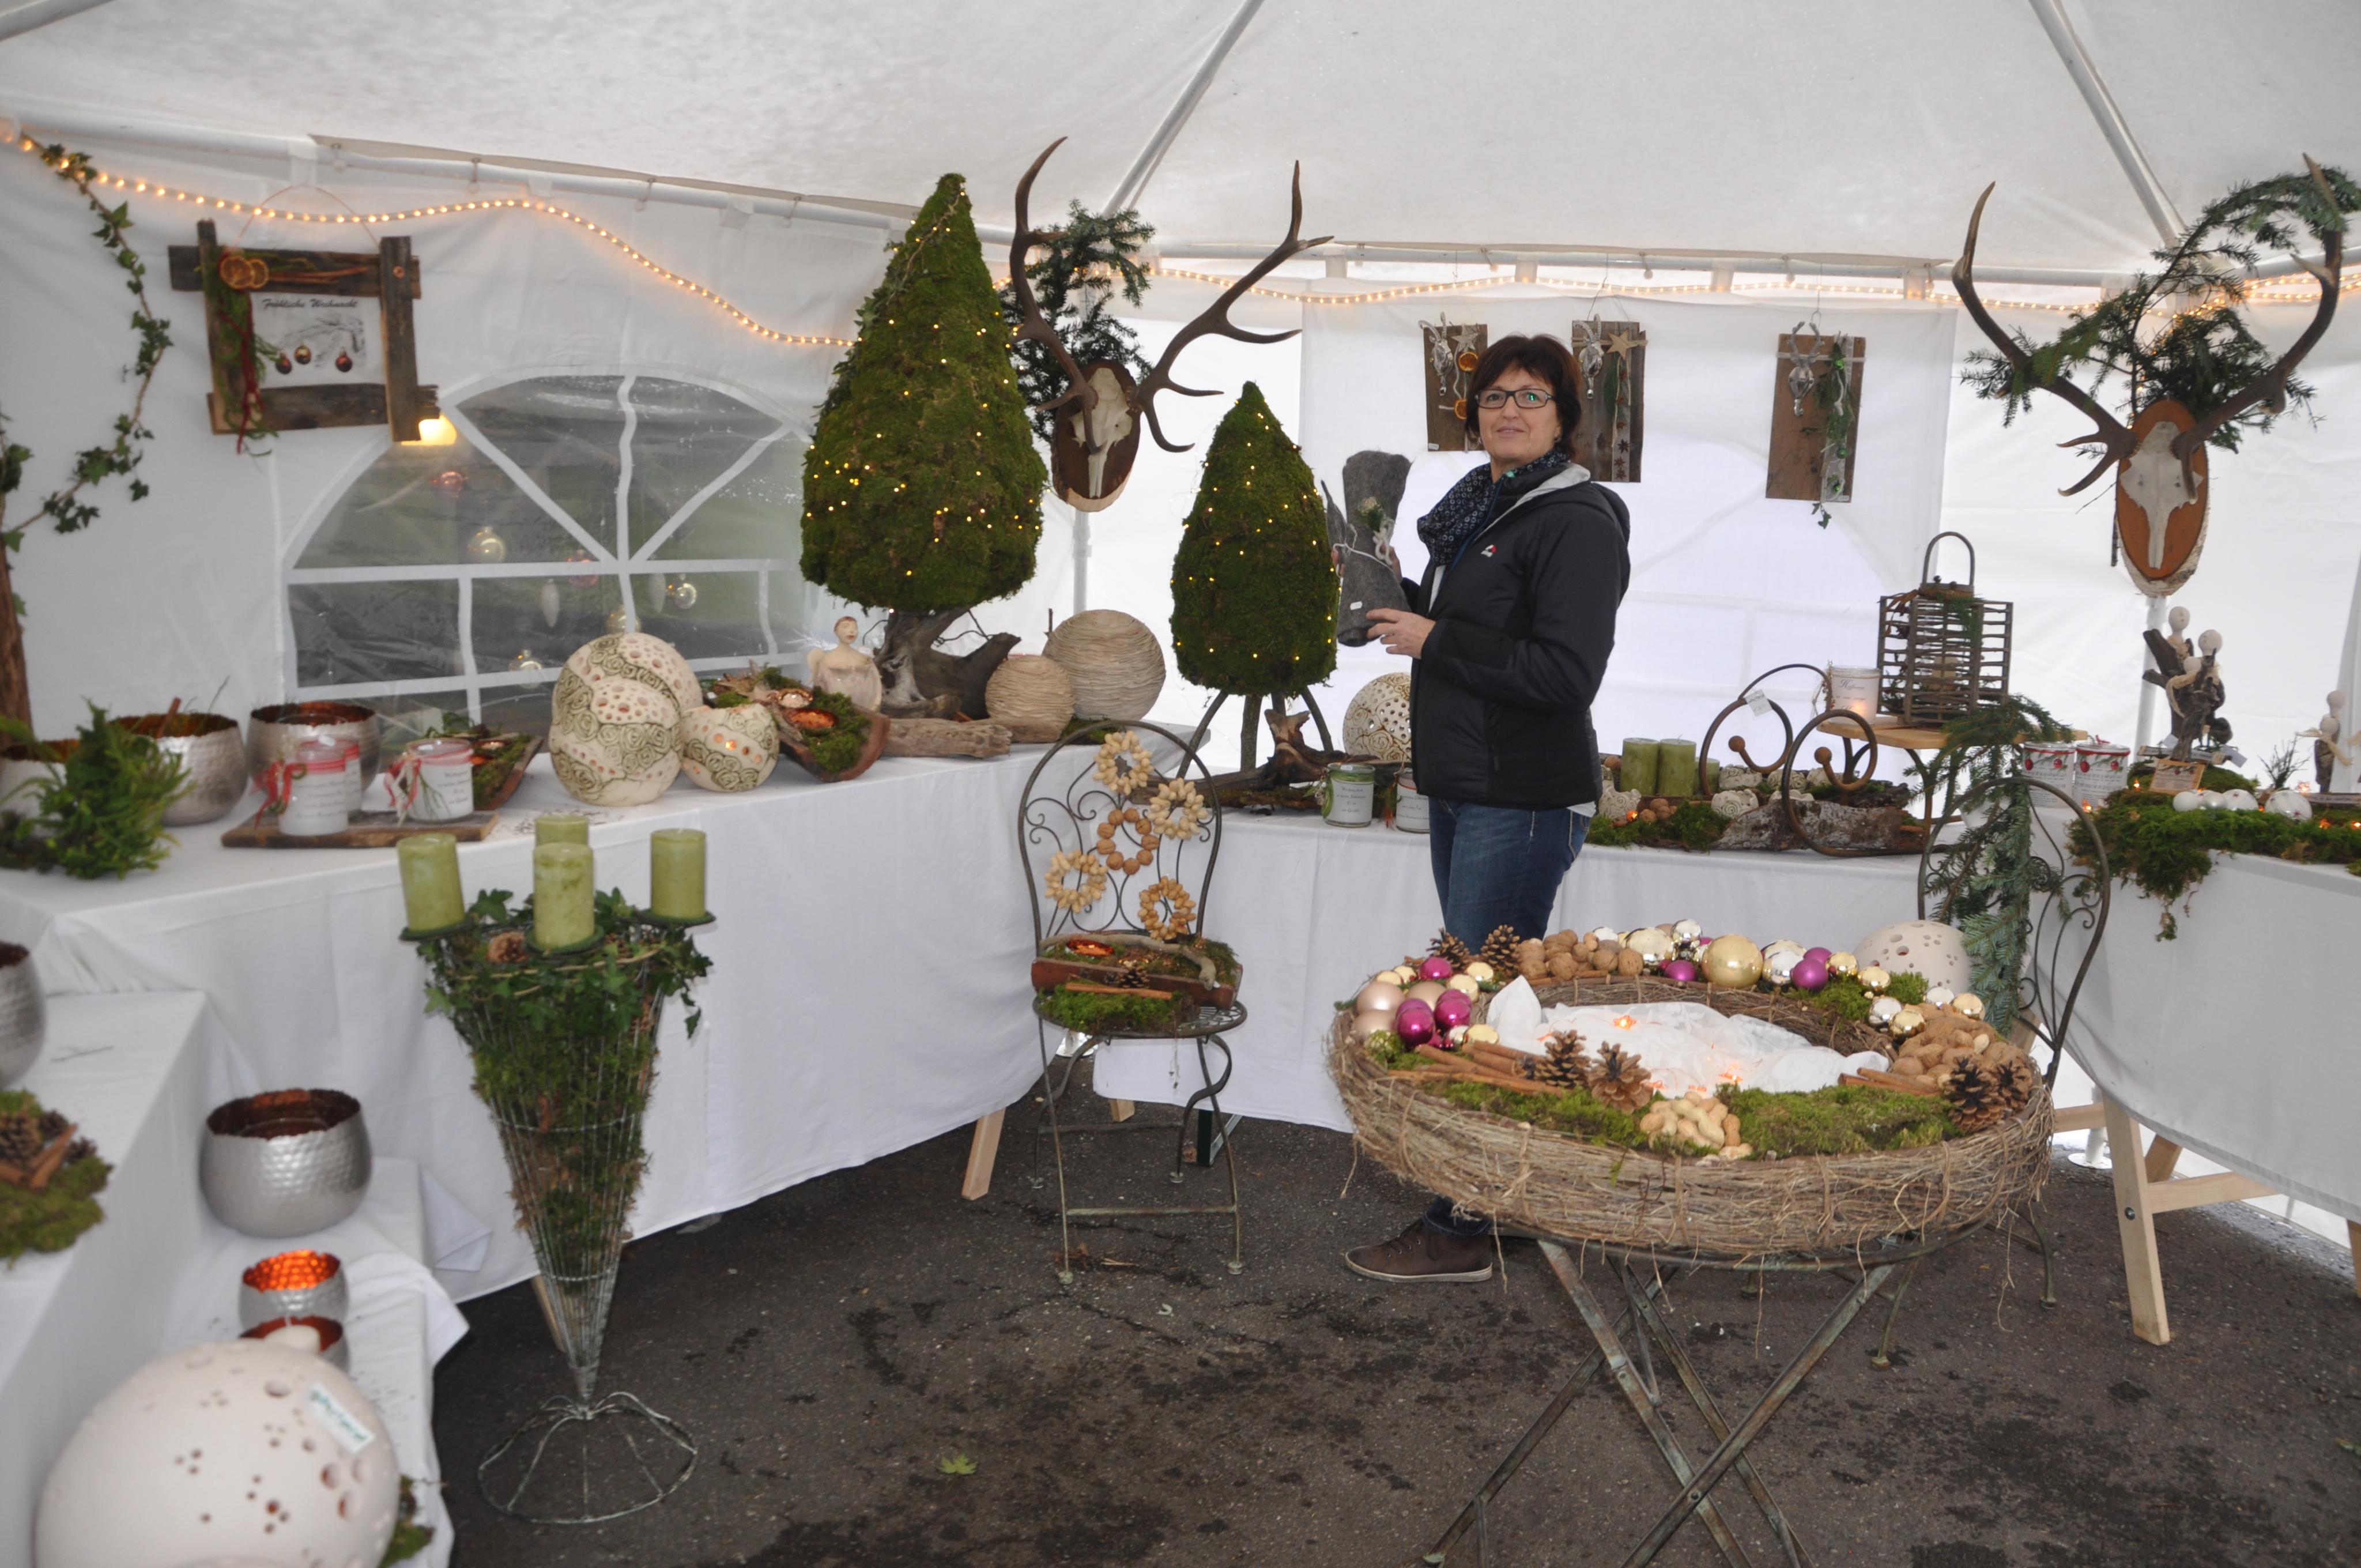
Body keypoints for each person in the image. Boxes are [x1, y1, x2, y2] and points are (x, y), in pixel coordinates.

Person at [1344, 334, 1631, 1284]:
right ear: (1474, 417)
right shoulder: (1482, 512)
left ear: (1565, 418)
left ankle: (1462, 1227)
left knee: (1473, 1009)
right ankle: (1493, 1206)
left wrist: (1433, 638)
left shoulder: (1576, 521)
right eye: (1495, 396)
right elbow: (1477, 635)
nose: (1510, 410)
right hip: (1468, 788)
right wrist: (1396, 590)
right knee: (1483, 996)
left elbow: (1564, 674)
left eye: (1532, 396)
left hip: (1524, 796)